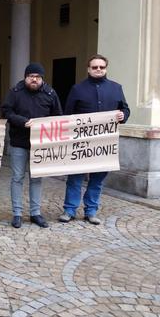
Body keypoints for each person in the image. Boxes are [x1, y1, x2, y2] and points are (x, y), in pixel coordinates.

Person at [58, 54, 130, 225]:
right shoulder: (77, 89)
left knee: (97, 180)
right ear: (88, 69)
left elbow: (125, 110)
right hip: (80, 144)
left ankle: (91, 211)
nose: (98, 70)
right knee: (75, 178)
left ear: (106, 68)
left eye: (101, 67)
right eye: (95, 67)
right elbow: (68, 116)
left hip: (104, 144)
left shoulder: (116, 88)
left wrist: (123, 115)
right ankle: (69, 210)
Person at [1, 63, 62, 229]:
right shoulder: (15, 92)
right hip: (19, 141)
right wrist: (22, 122)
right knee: (17, 177)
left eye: (38, 77)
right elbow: (6, 111)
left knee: (36, 178)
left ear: (42, 78)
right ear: (25, 77)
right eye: (31, 76)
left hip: (40, 144)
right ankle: (17, 214)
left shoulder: (50, 93)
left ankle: (35, 213)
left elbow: (58, 116)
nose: (34, 79)